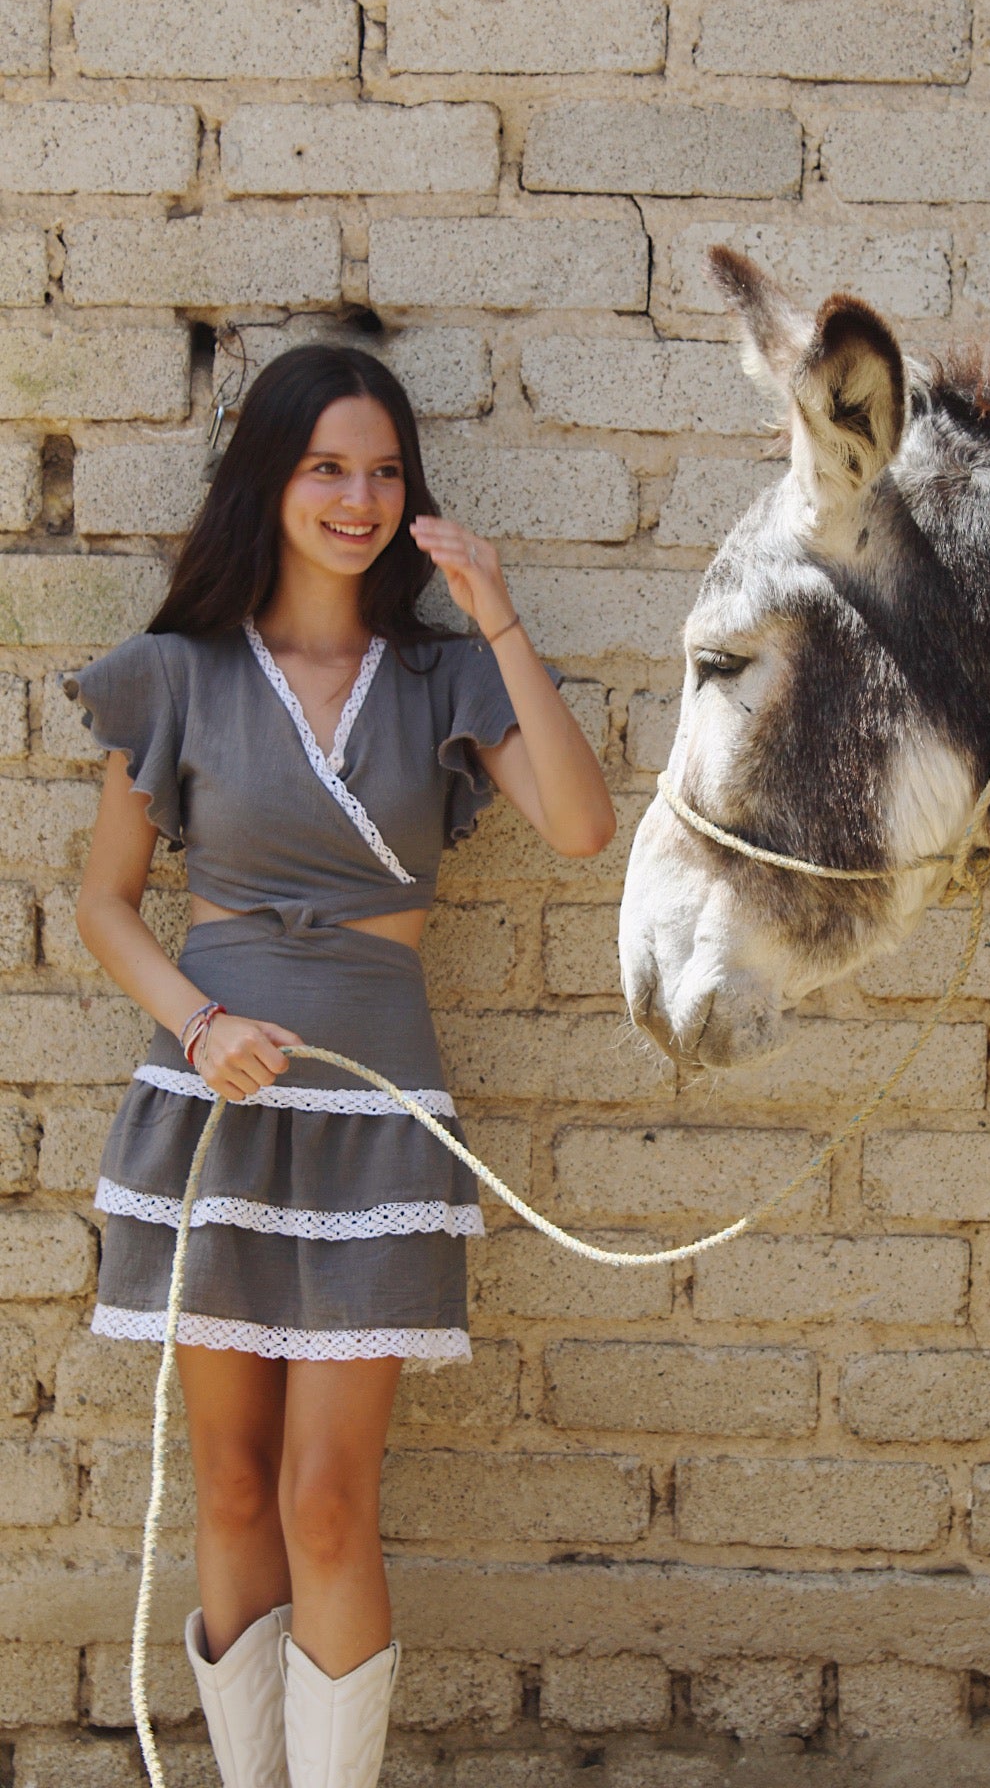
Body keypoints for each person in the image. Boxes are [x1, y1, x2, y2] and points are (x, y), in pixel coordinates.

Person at [67, 344, 615, 1788]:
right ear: (273, 477)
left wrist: (498, 620)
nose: (359, 498)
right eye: (327, 467)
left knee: (326, 1499)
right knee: (235, 1481)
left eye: (384, 471)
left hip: (378, 1111)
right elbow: (104, 903)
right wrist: (198, 1023)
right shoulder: (175, 672)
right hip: (212, 1105)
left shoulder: (440, 671)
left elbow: (578, 826)